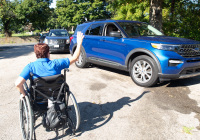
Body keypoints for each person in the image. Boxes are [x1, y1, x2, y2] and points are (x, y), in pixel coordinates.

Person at [15, 32, 84, 99]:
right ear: (48, 53)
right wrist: (79, 43)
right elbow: (75, 58)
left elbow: (18, 84)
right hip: (56, 97)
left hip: (38, 99)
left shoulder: (30, 67)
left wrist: (23, 94)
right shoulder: (57, 63)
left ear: (36, 54)